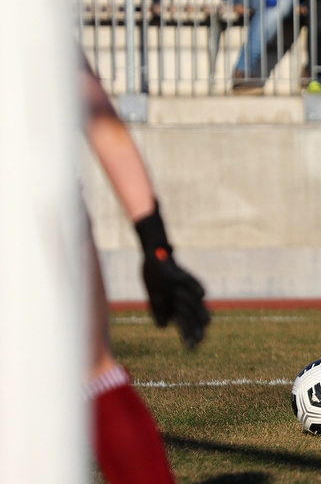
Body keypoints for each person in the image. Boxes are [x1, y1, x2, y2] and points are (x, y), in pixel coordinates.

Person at [82, 58, 211, 481]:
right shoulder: (27, 9)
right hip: (42, 204)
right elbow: (102, 122)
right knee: (96, 373)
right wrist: (156, 247)